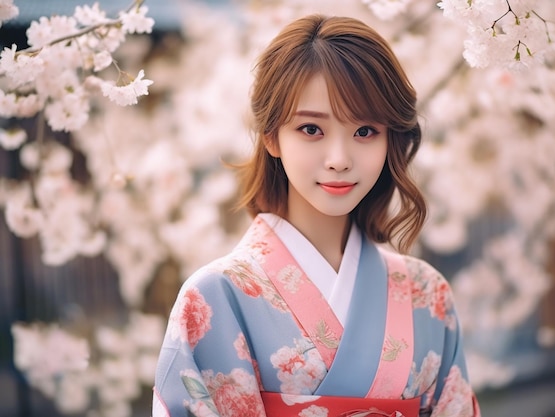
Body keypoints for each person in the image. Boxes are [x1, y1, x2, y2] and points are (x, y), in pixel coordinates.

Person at [152, 14, 481, 417]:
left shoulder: (427, 296)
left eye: (365, 131)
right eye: (311, 129)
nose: (339, 160)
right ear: (271, 136)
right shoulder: (214, 299)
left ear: (390, 138)